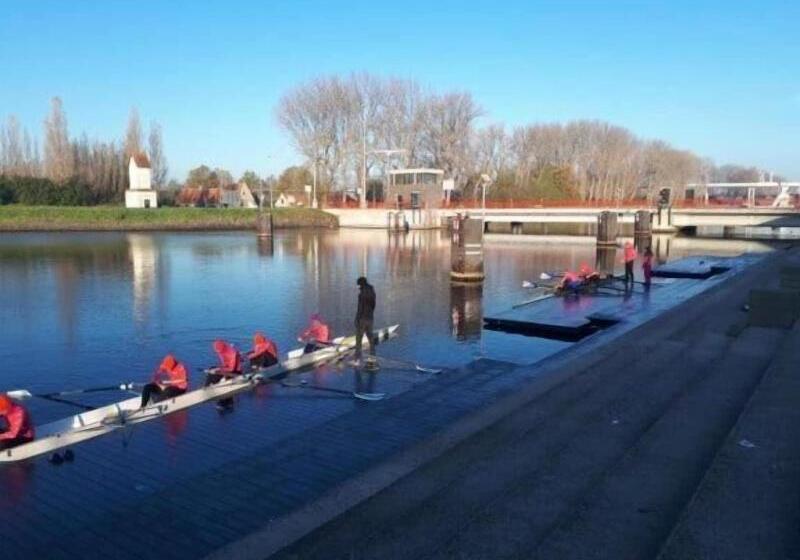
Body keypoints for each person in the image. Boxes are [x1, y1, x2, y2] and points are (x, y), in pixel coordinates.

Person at [352, 276, 377, 367]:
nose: (358, 287)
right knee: (371, 339)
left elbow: (360, 308)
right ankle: (372, 358)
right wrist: (370, 314)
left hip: (362, 319)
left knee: (358, 339)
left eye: (358, 285)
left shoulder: (362, 294)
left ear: (360, 284)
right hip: (370, 318)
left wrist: (356, 319)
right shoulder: (372, 292)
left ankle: (357, 360)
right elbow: (373, 305)